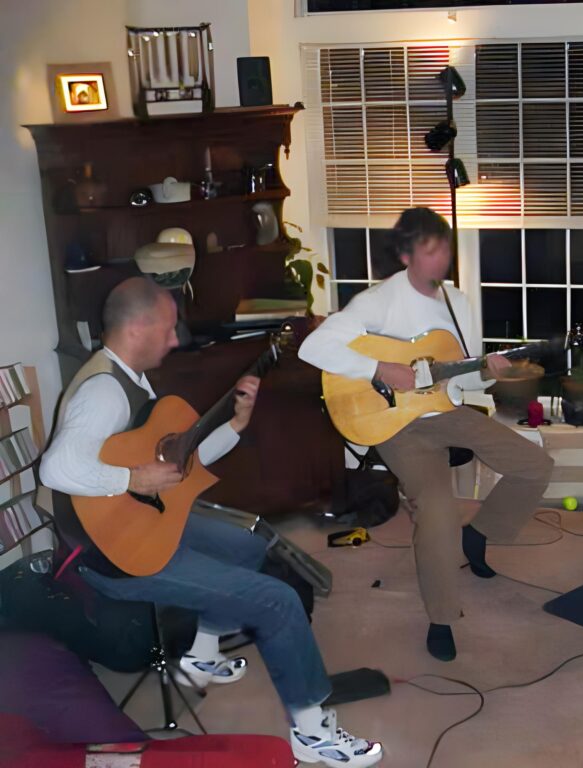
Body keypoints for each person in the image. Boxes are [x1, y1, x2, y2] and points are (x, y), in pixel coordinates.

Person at [40, 277, 382, 768]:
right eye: (169, 328)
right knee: (278, 600)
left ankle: (202, 655)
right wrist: (134, 479)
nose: (176, 339)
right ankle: (312, 733)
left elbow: (182, 467)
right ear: (139, 327)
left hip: (134, 523)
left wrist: (235, 426)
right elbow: (56, 468)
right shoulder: (103, 392)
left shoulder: (131, 379)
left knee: (248, 545)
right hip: (110, 556)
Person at [299, 207, 554, 662]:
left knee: (535, 464)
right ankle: (441, 617)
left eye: (445, 250)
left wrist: (491, 372)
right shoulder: (378, 302)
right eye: (429, 250)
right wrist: (378, 367)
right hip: (395, 423)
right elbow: (313, 346)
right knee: (437, 509)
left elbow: (467, 380)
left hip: (445, 409)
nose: (440, 260)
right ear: (405, 255)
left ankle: (480, 534)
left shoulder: (460, 302)